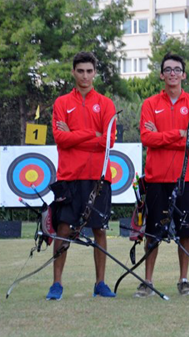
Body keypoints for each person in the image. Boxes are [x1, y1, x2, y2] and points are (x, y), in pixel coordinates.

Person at [136, 53, 189, 297]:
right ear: (161, 75)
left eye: (177, 70)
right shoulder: (149, 104)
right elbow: (147, 138)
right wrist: (179, 133)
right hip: (156, 178)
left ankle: (183, 279)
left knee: (185, 231)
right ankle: (147, 281)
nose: (173, 74)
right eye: (168, 69)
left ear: (184, 75)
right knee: (153, 231)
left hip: (185, 178)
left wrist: (163, 135)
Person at [48, 52, 117, 300]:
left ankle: (100, 283)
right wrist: (92, 134)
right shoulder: (62, 103)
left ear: (94, 73)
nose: (85, 76)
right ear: (73, 72)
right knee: (63, 229)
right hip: (69, 176)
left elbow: (108, 141)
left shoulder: (106, 104)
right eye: (81, 71)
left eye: (89, 71)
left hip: (98, 177)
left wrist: (76, 133)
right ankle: (57, 284)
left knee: (99, 229)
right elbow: (60, 139)